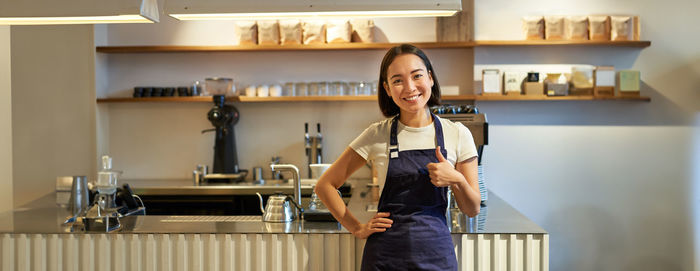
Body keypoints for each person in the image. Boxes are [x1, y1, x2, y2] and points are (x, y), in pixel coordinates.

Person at [314, 44, 481, 270]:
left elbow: (472, 209)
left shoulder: (458, 134)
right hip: (385, 257)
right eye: (398, 80)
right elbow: (325, 185)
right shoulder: (377, 133)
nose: (410, 87)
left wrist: (456, 179)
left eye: (417, 76)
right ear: (387, 88)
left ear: (430, 78)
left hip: (436, 255)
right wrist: (356, 227)